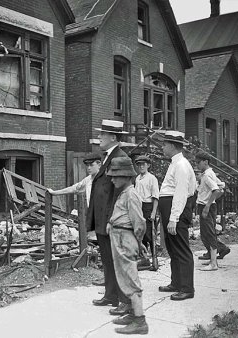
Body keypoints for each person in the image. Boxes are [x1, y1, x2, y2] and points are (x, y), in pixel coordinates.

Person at [87, 119, 131, 316]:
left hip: (111, 220)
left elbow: (119, 194)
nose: (99, 138)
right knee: (107, 259)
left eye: (102, 135)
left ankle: (126, 301)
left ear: (113, 137)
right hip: (103, 219)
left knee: (118, 261)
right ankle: (111, 295)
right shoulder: (108, 157)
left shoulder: (120, 157)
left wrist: (111, 220)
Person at [106, 157, 148, 335]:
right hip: (119, 236)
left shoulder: (131, 194)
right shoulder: (124, 193)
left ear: (126, 176)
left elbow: (139, 223)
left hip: (125, 238)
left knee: (130, 279)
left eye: (117, 175)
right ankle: (132, 313)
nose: (113, 179)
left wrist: (138, 244)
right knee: (123, 277)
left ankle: (140, 321)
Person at [158, 131, 197, 301]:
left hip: (177, 210)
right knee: (173, 248)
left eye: (165, 144)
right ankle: (176, 282)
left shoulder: (181, 165)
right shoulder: (175, 163)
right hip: (172, 209)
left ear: (173, 146)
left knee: (181, 248)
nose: (162, 146)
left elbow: (181, 193)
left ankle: (187, 288)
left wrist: (174, 218)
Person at [195, 151, 230, 270]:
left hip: (205, 206)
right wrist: (213, 200)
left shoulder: (206, 175)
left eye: (198, 162)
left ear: (205, 162)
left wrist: (207, 205)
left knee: (209, 234)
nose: (197, 165)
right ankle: (212, 259)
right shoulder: (210, 173)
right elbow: (221, 187)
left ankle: (214, 264)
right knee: (206, 233)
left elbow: (216, 190)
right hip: (208, 205)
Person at [134, 155, 159, 268]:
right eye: (139, 165)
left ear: (148, 165)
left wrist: (153, 212)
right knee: (140, 233)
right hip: (138, 206)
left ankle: (154, 258)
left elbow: (155, 197)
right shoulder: (137, 178)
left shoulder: (152, 178)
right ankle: (144, 259)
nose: (141, 167)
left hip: (148, 207)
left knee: (150, 234)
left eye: (143, 164)